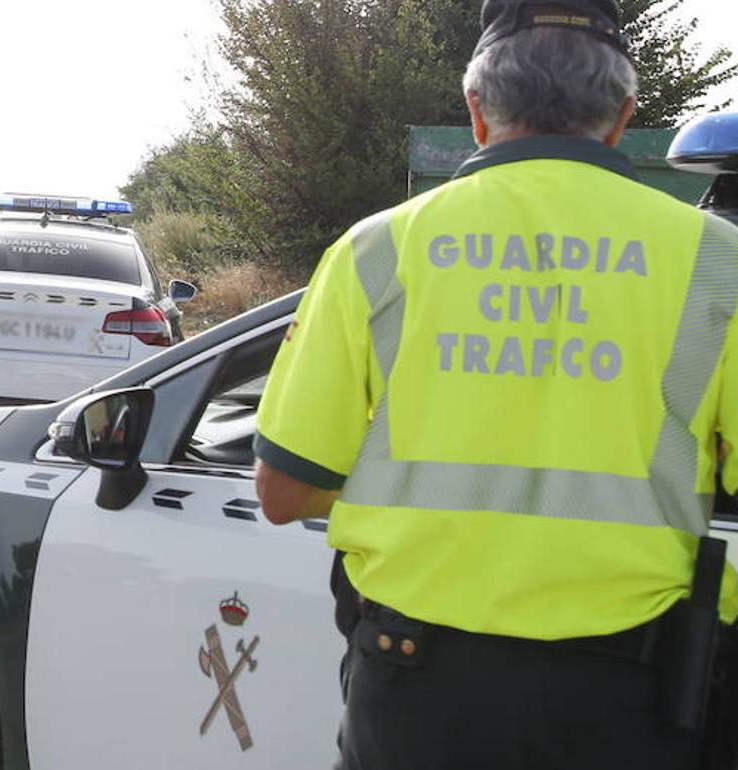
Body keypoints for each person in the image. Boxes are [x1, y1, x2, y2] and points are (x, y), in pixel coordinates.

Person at [252, 1, 738, 767]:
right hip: (635, 698)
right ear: (622, 117)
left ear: (477, 111)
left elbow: (285, 493)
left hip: (415, 690)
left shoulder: (376, 251)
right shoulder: (720, 262)